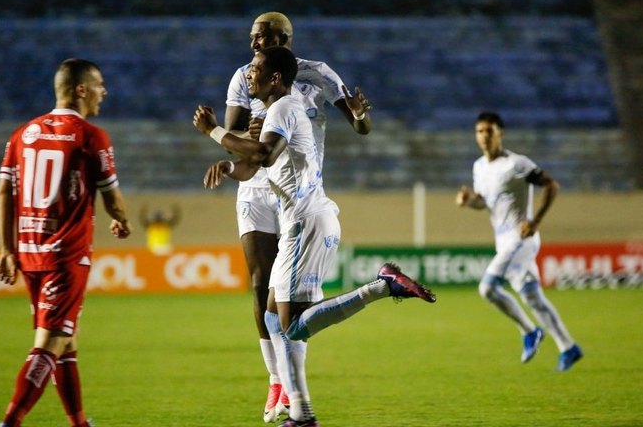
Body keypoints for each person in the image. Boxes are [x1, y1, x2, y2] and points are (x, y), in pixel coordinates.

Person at [193, 46, 436, 427]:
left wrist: (214, 131)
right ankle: (301, 413)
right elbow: (257, 162)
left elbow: (263, 153)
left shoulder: (285, 108)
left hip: (306, 224)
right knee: (275, 322)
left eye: (256, 68)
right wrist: (228, 166)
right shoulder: (278, 111)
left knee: (291, 326)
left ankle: (381, 287)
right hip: (303, 221)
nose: (248, 73)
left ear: (276, 78)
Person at [222, 12, 373, 422]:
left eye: (263, 36)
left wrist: (359, 116)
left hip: (298, 190)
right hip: (257, 184)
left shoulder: (317, 74)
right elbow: (234, 130)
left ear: (284, 38)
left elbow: (361, 125)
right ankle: (279, 383)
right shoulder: (245, 75)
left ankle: (297, 400)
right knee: (261, 286)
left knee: (287, 306)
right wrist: (243, 135)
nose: (255, 44)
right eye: (252, 36)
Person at [0, 58, 132, 427]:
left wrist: (7, 250)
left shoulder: (23, 134)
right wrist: (120, 219)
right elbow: (112, 198)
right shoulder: (91, 136)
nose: (104, 91)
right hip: (66, 255)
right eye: (99, 84)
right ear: (81, 90)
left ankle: (80, 423)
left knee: (66, 342)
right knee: (50, 344)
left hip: (29, 253)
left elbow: (4, 192)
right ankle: (10, 421)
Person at [455, 111, 582, 372]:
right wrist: (469, 201)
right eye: (479, 131)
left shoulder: (516, 164)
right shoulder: (479, 167)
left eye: (489, 131)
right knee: (532, 297)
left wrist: (535, 222)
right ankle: (568, 348)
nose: (484, 136)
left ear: (500, 133)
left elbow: (551, 186)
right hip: (503, 243)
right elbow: (485, 202)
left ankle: (529, 331)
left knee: (487, 288)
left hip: (521, 239)